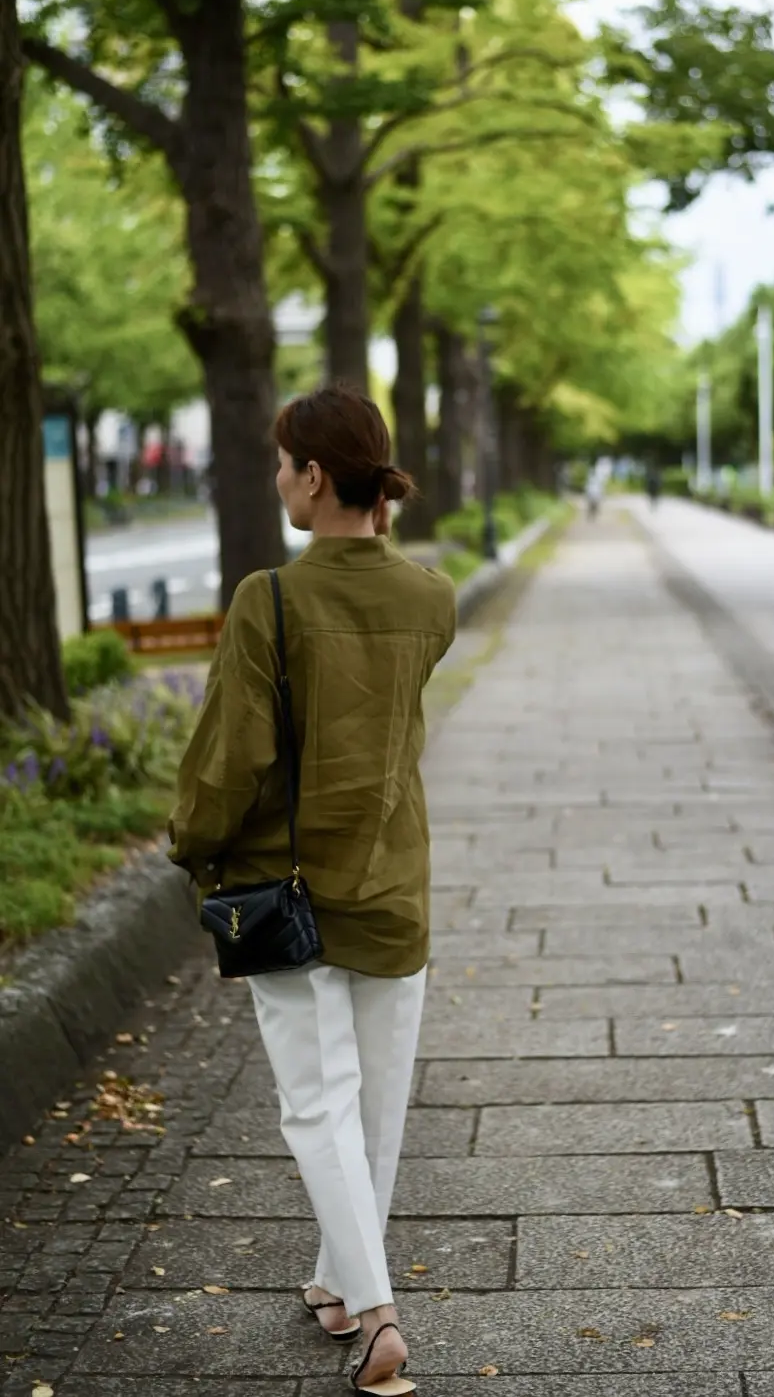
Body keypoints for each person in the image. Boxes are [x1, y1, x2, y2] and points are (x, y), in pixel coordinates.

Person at [168, 384, 456, 1396]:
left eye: (283, 463)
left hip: (283, 891)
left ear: (315, 474)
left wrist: (188, 841)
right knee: (375, 1109)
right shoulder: (432, 599)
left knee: (315, 1104)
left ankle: (377, 1315)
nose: (277, 478)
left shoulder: (270, 599)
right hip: (392, 881)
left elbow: (231, 759)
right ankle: (340, 1285)